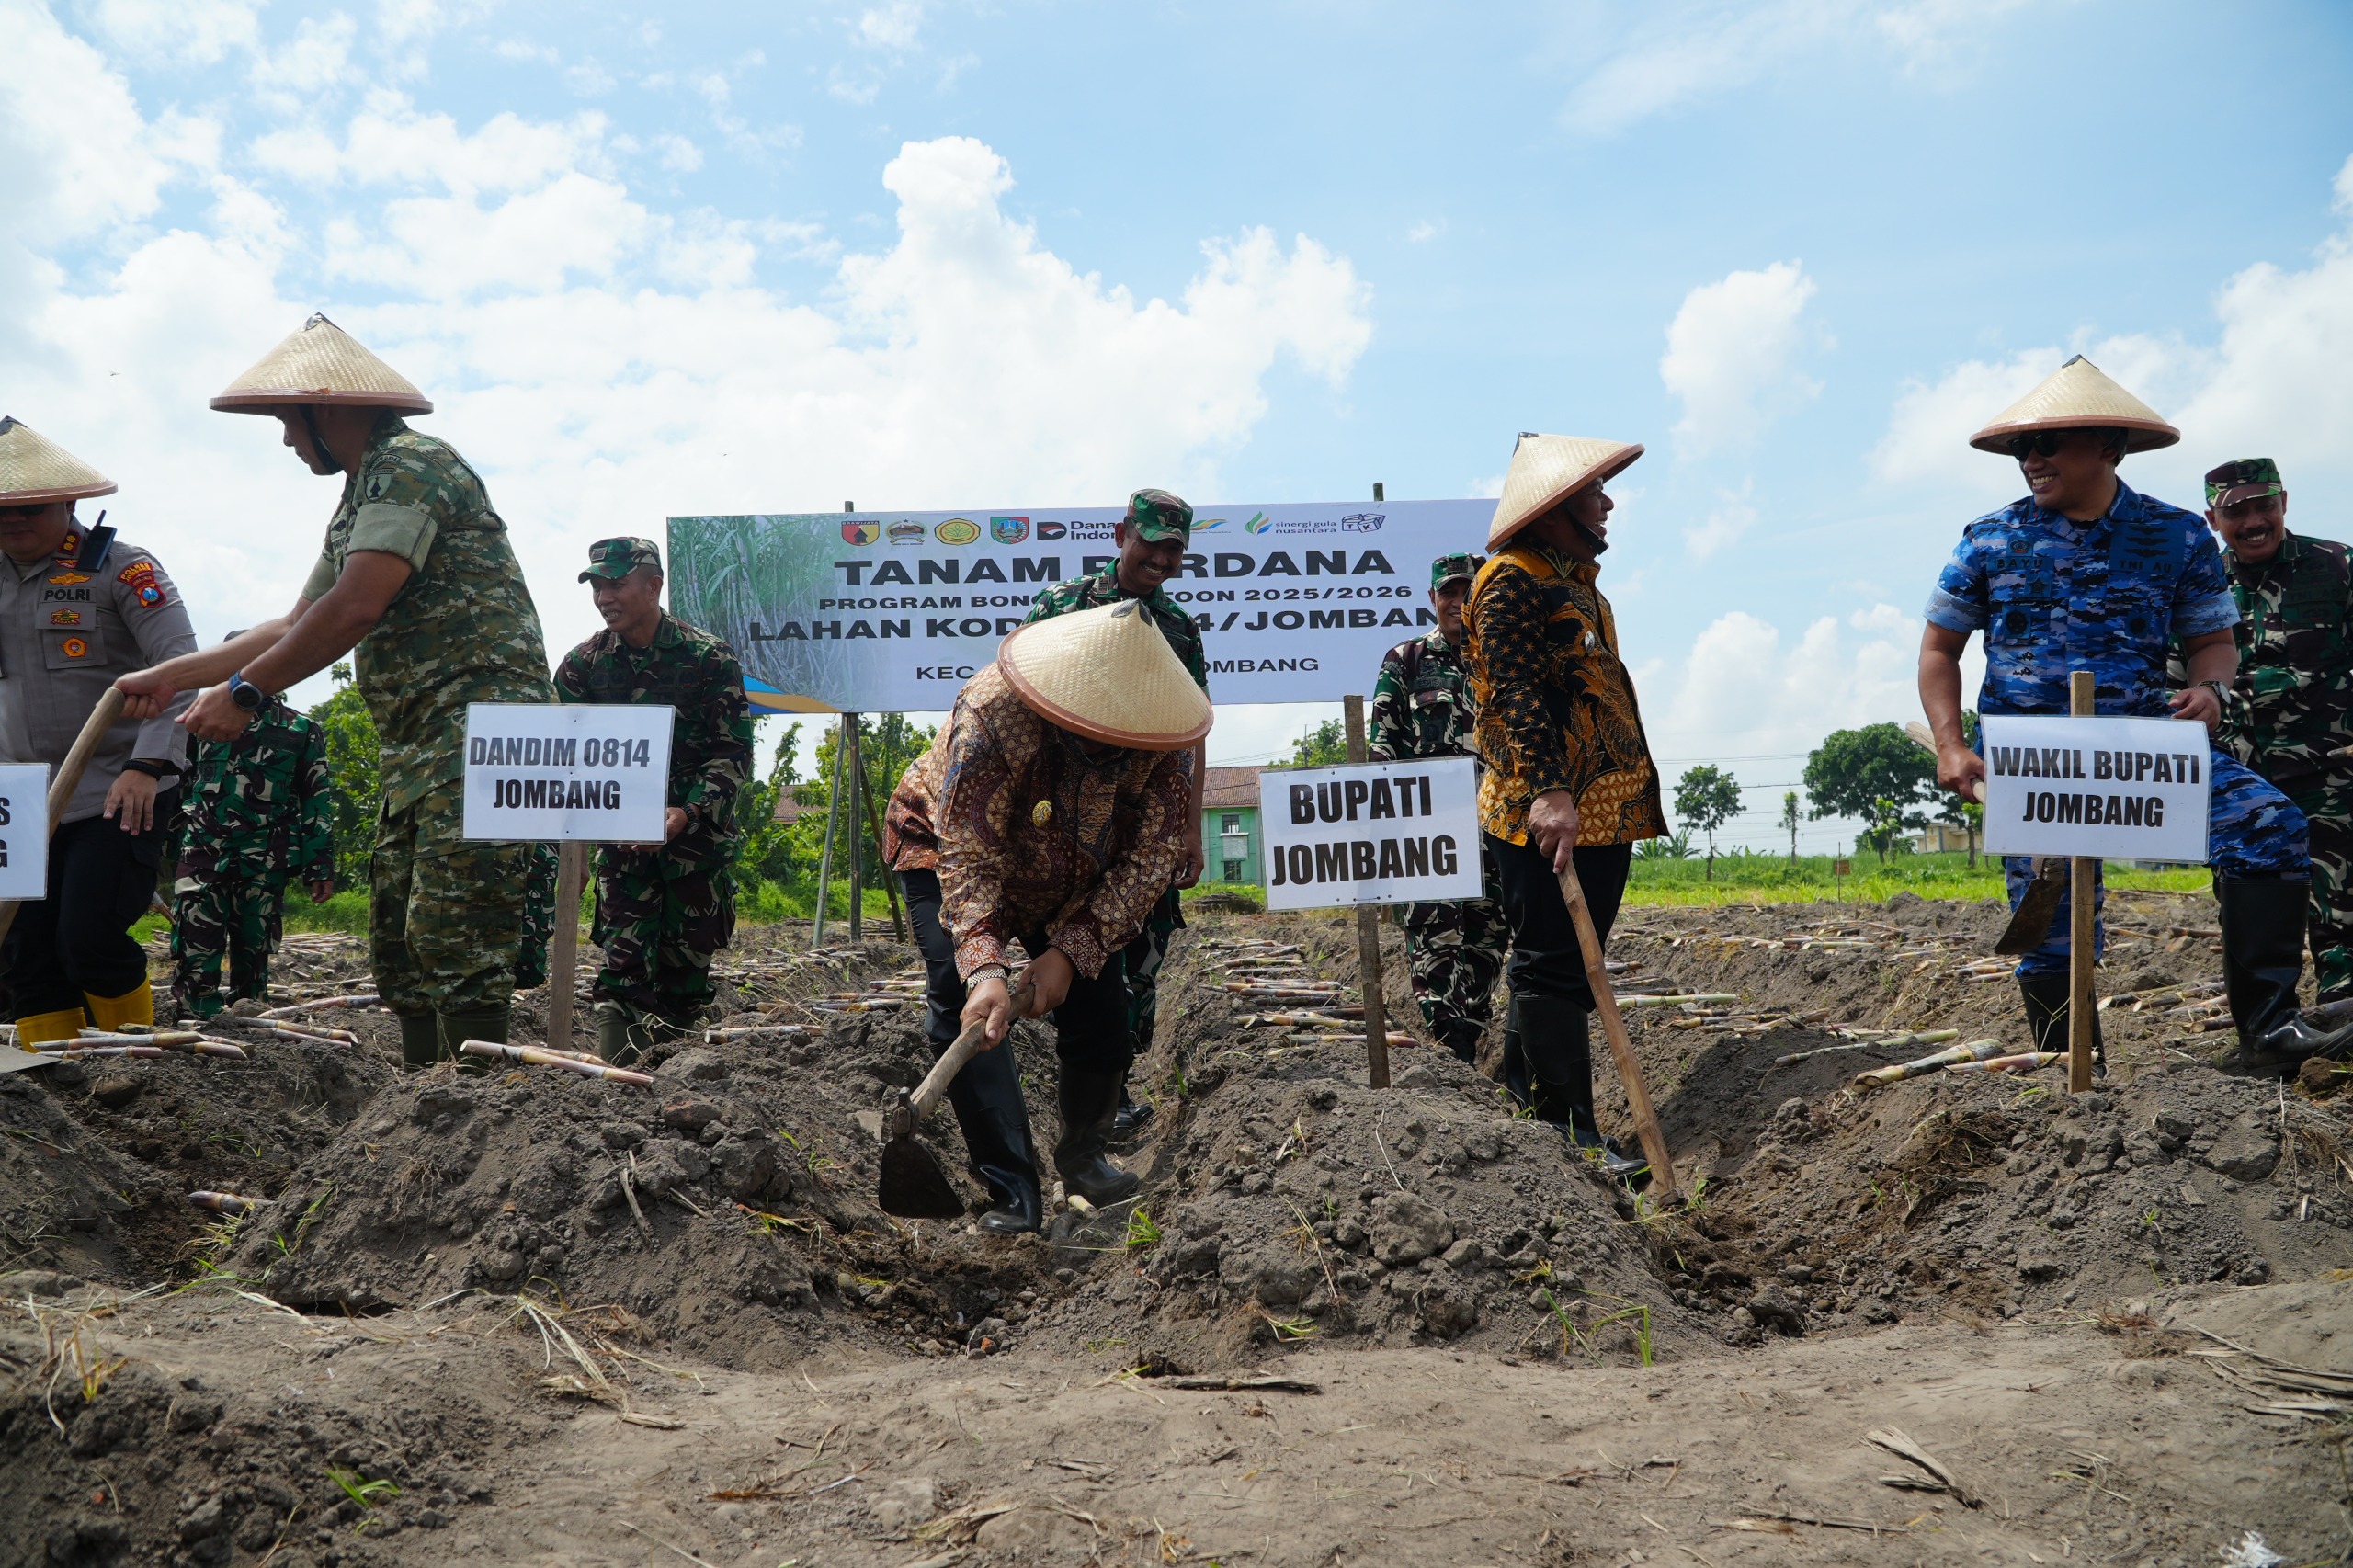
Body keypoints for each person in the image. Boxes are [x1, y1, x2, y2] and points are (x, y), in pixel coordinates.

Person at [116, 313, 553, 1068]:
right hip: (420, 744)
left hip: (482, 734)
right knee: (400, 941)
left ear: (328, 408)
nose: (287, 440)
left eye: (290, 419)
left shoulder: (412, 465)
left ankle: (482, 1112)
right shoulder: (360, 495)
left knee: (457, 933)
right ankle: (427, 1107)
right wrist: (173, 676)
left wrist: (243, 695)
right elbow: (297, 619)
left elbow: (355, 606)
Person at [1918, 357, 2342, 1077]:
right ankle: (2069, 1069)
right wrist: (1951, 745)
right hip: (2035, 758)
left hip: (2144, 751)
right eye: (2024, 449)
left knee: (2267, 824)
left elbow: (2213, 642)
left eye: (2049, 446)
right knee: (2049, 917)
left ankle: (2267, 1033)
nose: (2032, 461)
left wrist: (2210, 692)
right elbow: (1939, 649)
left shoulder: (2176, 537)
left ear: (2109, 447)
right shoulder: (1990, 539)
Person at [888, 598, 1206, 1227]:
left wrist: (1069, 951)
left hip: (1078, 872)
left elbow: (1148, 862)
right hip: (950, 849)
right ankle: (1013, 1189)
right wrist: (985, 970)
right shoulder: (993, 711)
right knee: (959, 996)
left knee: (1102, 999)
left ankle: (1083, 1158)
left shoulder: (1167, 740)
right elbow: (970, 855)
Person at [1464, 435, 1662, 1182]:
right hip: (1547, 809)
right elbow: (1513, 693)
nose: (1607, 503)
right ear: (1551, 510)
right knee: (1554, 967)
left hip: (1603, 810)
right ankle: (1568, 1132)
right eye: (1593, 493)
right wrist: (1549, 791)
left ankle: (1524, 1106)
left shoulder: (1577, 584)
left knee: (1562, 968)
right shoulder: (1511, 582)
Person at [0, 417, 199, 1045]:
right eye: (2, 509)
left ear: (70, 502)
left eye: (30, 508)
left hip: (114, 786)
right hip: (17, 798)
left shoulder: (121, 570)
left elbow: (184, 672)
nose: (14, 522)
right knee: (23, 952)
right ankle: (56, 1087)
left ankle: (130, 1064)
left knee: (86, 935)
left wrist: (149, 765)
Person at [1021, 489, 1209, 1136]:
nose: (1159, 558)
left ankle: (1113, 1094)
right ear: (1121, 532)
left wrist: (1188, 825)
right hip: (1062, 817)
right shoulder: (1062, 606)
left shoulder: (1180, 629)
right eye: (1149, 541)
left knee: (1140, 952)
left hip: (1139, 822)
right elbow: (1023, 696)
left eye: (1172, 549)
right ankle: (1072, 1095)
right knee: (1067, 945)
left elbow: (1191, 733)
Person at [554, 538, 753, 1063]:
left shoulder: (709, 659)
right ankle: (622, 1089)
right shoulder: (582, 668)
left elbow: (730, 754)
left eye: (615, 584)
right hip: (621, 851)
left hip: (695, 847)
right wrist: (568, 847)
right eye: (597, 585)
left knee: (686, 977)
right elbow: (563, 763)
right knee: (621, 972)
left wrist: (685, 813)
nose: (604, 596)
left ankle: (677, 1083)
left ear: (653, 585)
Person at [2199, 458, 2353, 1012]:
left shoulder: (2336, 566)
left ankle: (2343, 1025)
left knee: (2342, 910)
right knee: (2252, 911)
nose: (2253, 520)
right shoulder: (2198, 585)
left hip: (2331, 772)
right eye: (2236, 511)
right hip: (2243, 782)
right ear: (2213, 518)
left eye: (2264, 505)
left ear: (2283, 502)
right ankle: (2269, 1028)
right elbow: (2173, 674)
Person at [1369, 551, 1506, 1065]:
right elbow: (1381, 749)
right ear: (1432, 599)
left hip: (1496, 840)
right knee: (1435, 953)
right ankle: (1454, 1058)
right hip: (1428, 842)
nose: (1458, 601)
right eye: (1448, 592)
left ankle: (1468, 1055)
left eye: (1468, 591)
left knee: (1486, 954)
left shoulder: (1503, 661)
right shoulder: (1405, 662)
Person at [170, 645, 334, 1018]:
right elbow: (174, 785)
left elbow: (316, 801)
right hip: (202, 852)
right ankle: (197, 1023)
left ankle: (250, 1030)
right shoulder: (195, 721)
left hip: (265, 857)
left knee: (254, 953)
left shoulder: (300, 729)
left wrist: (319, 865)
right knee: (195, 947)